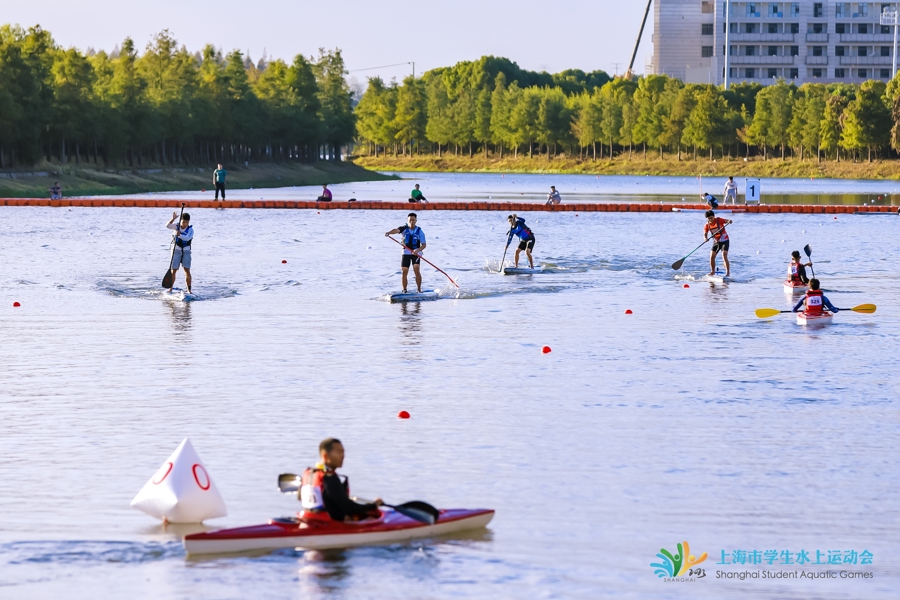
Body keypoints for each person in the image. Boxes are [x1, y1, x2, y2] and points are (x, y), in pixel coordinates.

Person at [299, 438, 383, 522]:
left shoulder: (309, 473)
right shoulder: (330, 478)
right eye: (339, 452)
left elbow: (300, 497)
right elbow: (350, 508)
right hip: (328, 525)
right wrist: (374, 505)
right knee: (370, 517)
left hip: (308, 519)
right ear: (325, 456)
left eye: (343, 452)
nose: (343, 456)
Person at [385, 213, 426, 294]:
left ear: (416, 221)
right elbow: (396, 230)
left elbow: (424, 245)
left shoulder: (419, 231)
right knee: (404, 271)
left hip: (416, 252)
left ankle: (419, 289)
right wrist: (388, 232)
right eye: (410, 220)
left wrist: (417, 251)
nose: (412, 222)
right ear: (407, 220)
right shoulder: (404, 228)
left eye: (413, 220)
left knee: (416, 269)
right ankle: (404, 290)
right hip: (406, 252)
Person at [166, 211, 193, 293]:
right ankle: (170, 289)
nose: (185, 224)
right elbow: (167, 225)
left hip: (186, 251)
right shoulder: (176, 226)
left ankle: (189, 290)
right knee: (173, 270)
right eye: (183, 222)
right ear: (180, 220)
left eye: (187, 222)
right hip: (176, 250)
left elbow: (187, 238)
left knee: (187, 270)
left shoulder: (190, 230)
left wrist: (179, 235)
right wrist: (173, 219)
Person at [703, 210, 732, 277]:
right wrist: (705, 238)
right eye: (709, 218)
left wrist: (729, 221)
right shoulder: (707, 225)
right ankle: (712, 272)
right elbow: (705, 233)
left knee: (724, 255)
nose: (710, 220)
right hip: (716, 242)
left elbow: (726, 221)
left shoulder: (719, 220)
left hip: (725, 240)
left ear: (714, 216)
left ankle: (728, 273)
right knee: (711, 257)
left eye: (711, 218)